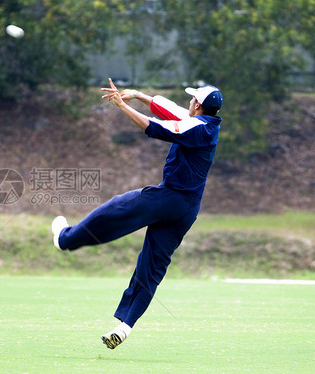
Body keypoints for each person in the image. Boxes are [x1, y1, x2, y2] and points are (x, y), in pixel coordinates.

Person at [51, 78, 223, 349]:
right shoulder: (207, 124)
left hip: (170, 199)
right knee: (151, 269)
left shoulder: (195, 128)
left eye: (192, 99)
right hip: (188, 210)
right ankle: (125, 326)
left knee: (117, 210)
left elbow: (152, 127)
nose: (188, 102)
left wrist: (122, 106)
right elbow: (170, 110)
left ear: (198, 105)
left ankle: (65, 239)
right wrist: (139, 95)